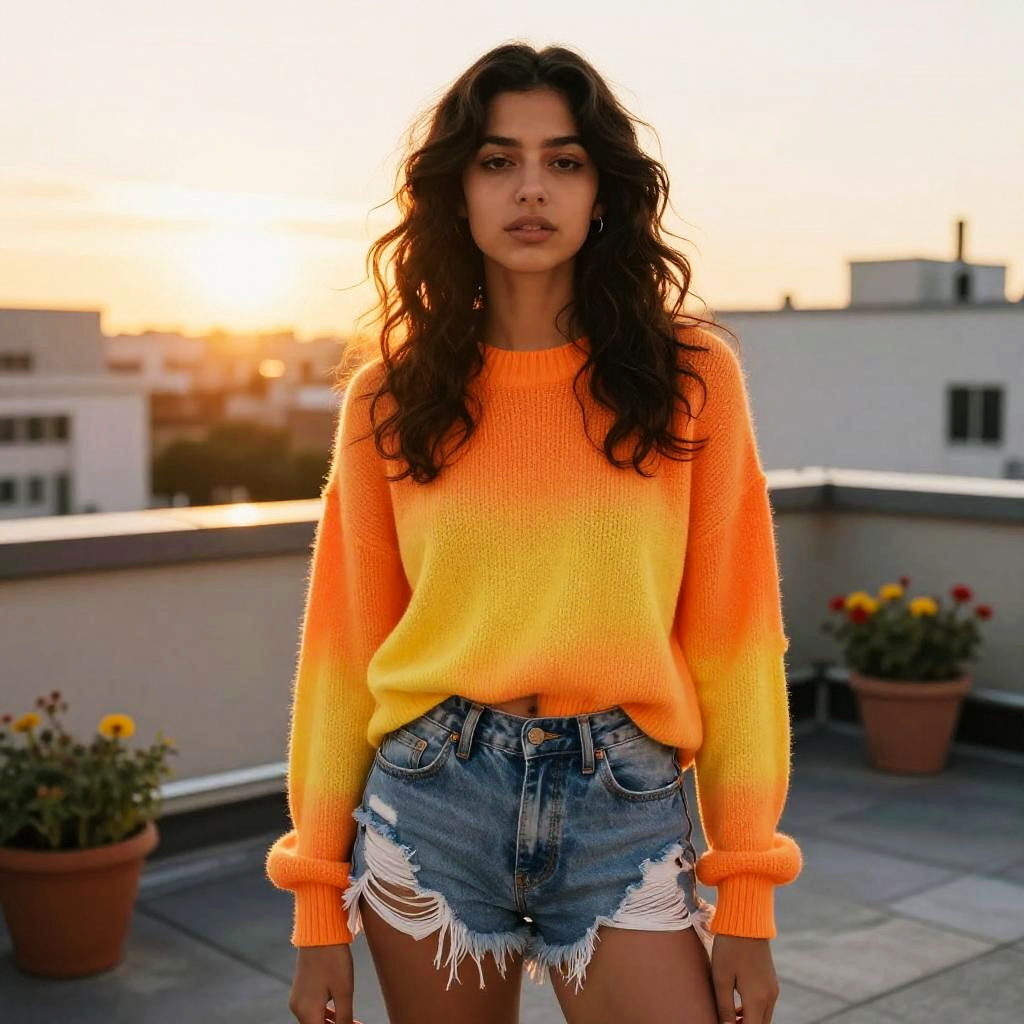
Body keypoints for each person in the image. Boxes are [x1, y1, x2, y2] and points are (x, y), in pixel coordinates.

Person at [266, 41, 802, 1024]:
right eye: (496, 159)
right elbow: (341, 657)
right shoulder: (387, 399)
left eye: (562, 160)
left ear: (603, 189)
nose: (530, 189)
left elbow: (735, 643)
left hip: (622, 804)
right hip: (430, 799)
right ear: (455, 191)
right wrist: (315, 909)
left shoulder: (691, 378)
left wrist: (746, 897)